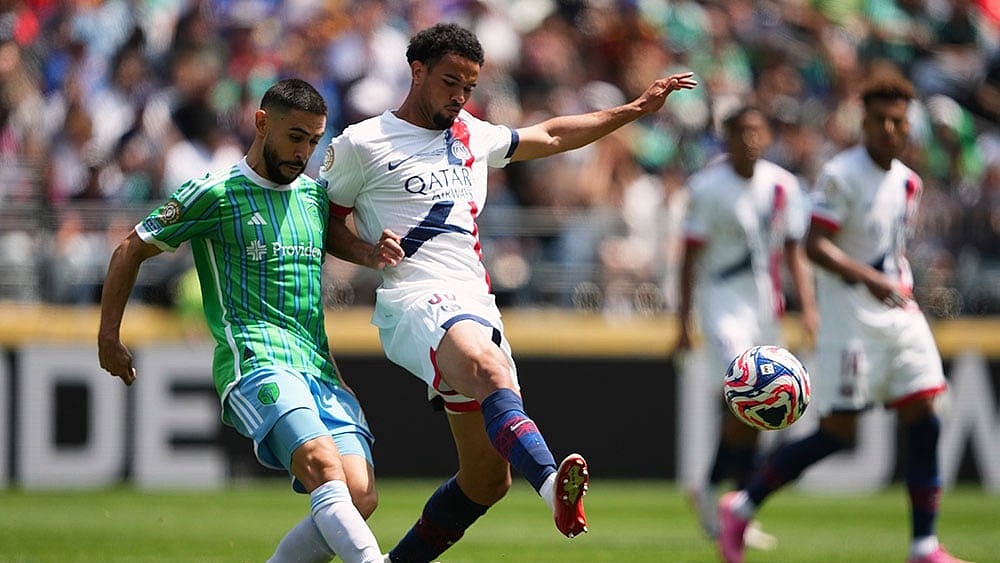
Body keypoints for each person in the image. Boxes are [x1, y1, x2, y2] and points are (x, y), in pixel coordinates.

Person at [318, 22, 696, 563]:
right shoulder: (362, 143)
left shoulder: (471, 132)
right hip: (414, 299)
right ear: (417, 71)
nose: (459, 97)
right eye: (450, 82)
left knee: (484, 482)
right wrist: (368, 252)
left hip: (476, 302)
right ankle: (553, 491)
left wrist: (633, 109)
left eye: (469, 87)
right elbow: (326, 224)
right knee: (491, 371)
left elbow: (552, 135)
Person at [98, 78, 386, 563]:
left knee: (359, 496)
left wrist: (370, 254)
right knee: (321, 465)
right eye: (295, 137)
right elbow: (131, 247)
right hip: (254, 360)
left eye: (314, 141)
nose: (304, 152)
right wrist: (109, 335)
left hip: (317, 367)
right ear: (261, 122)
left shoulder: (314, 198)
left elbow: (331, 239)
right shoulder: (215, 192)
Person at [715, 71, 973, 563]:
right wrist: (868, 278)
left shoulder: (908, 181)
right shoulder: (842, 174)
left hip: (901, 314)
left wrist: (887, 281)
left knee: (927, 417)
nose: (889, 131)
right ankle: (743, 504)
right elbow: (814, 245)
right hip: (851, 322)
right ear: (864, 122)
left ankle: (924, 545)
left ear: (908, 125)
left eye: (897, 122)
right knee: (838, 434)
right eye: (879, 121)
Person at [675, 106, 817, 550]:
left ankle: (731, 498)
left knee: (759, 411)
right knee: (746, 395)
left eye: (759, 130)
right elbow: (689, 258)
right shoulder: (706, 187)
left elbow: (795, 251)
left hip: (765, 307)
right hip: (723, 307)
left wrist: (809, 307)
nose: (752, 139)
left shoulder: (782, 185)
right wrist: (683, 321)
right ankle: (721, 490)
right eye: (743, 132)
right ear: (728, 138)